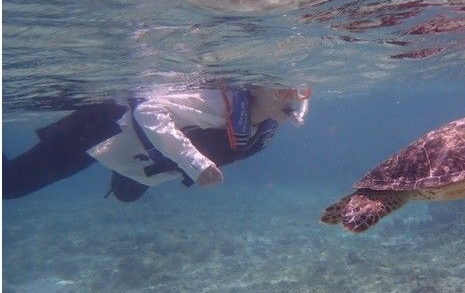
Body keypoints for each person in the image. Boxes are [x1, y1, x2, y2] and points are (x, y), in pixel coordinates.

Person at [2, 85, 310, 202]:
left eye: (302, 92)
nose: (295, 98)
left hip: (137, 159)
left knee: (126, 194)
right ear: (258, 87)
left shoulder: (265, 126)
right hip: (102, 132)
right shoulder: (220, 103)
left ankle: (126, 173)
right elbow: (148, 109)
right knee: (9, 186)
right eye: (286, 90)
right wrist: (195, 162)